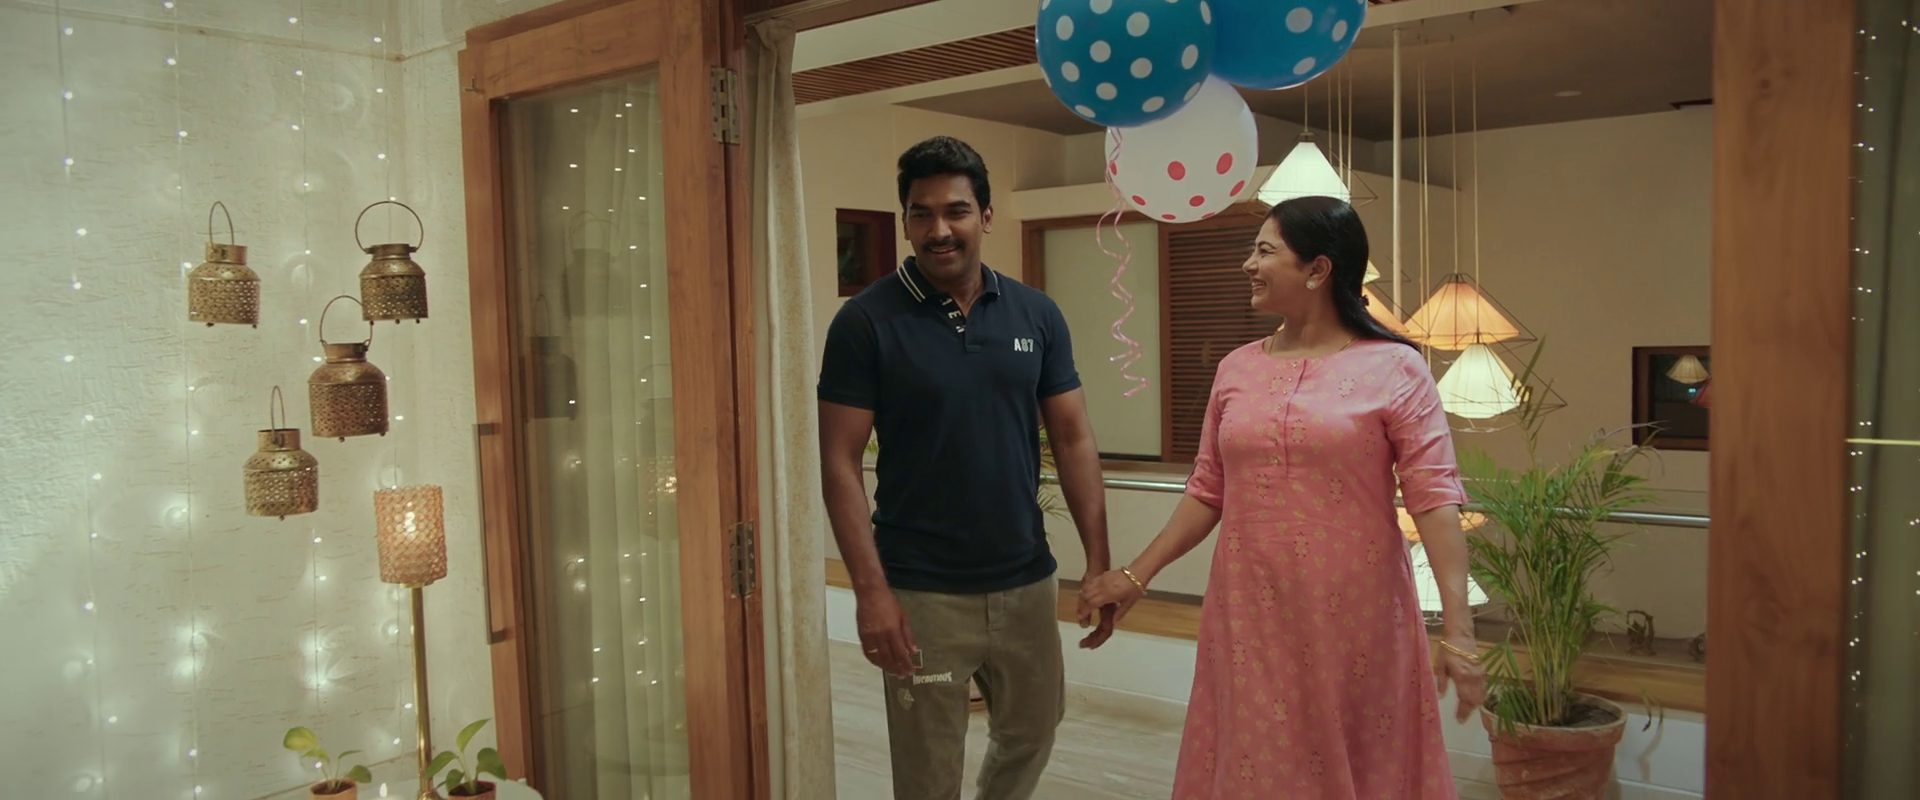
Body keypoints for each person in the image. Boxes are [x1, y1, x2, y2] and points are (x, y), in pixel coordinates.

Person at [1080, 196, 1488, 799]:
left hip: (1357, 617)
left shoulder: (1396, 369)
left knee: (1357, 764)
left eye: (1265, 251)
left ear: (1318, 269)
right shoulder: (1236, 369)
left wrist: (1460, 633)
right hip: (1248, 612)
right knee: (1257, 763)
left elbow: (1433, 500)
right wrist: (1136, 576)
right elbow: (1207, 490)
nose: (1248, 264)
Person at [816, 135, 1114, 800]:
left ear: (986, 215)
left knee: (1033, 733)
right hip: (922, 592)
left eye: (955, 211)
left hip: (1025, 581)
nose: (939, 230)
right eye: (921, 214)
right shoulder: (865, 322)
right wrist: (872, 593)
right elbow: (839, 462)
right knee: (927, 770)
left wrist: (1098, 561)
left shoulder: (1036, 314)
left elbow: (1072, 438)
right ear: (905, 222)